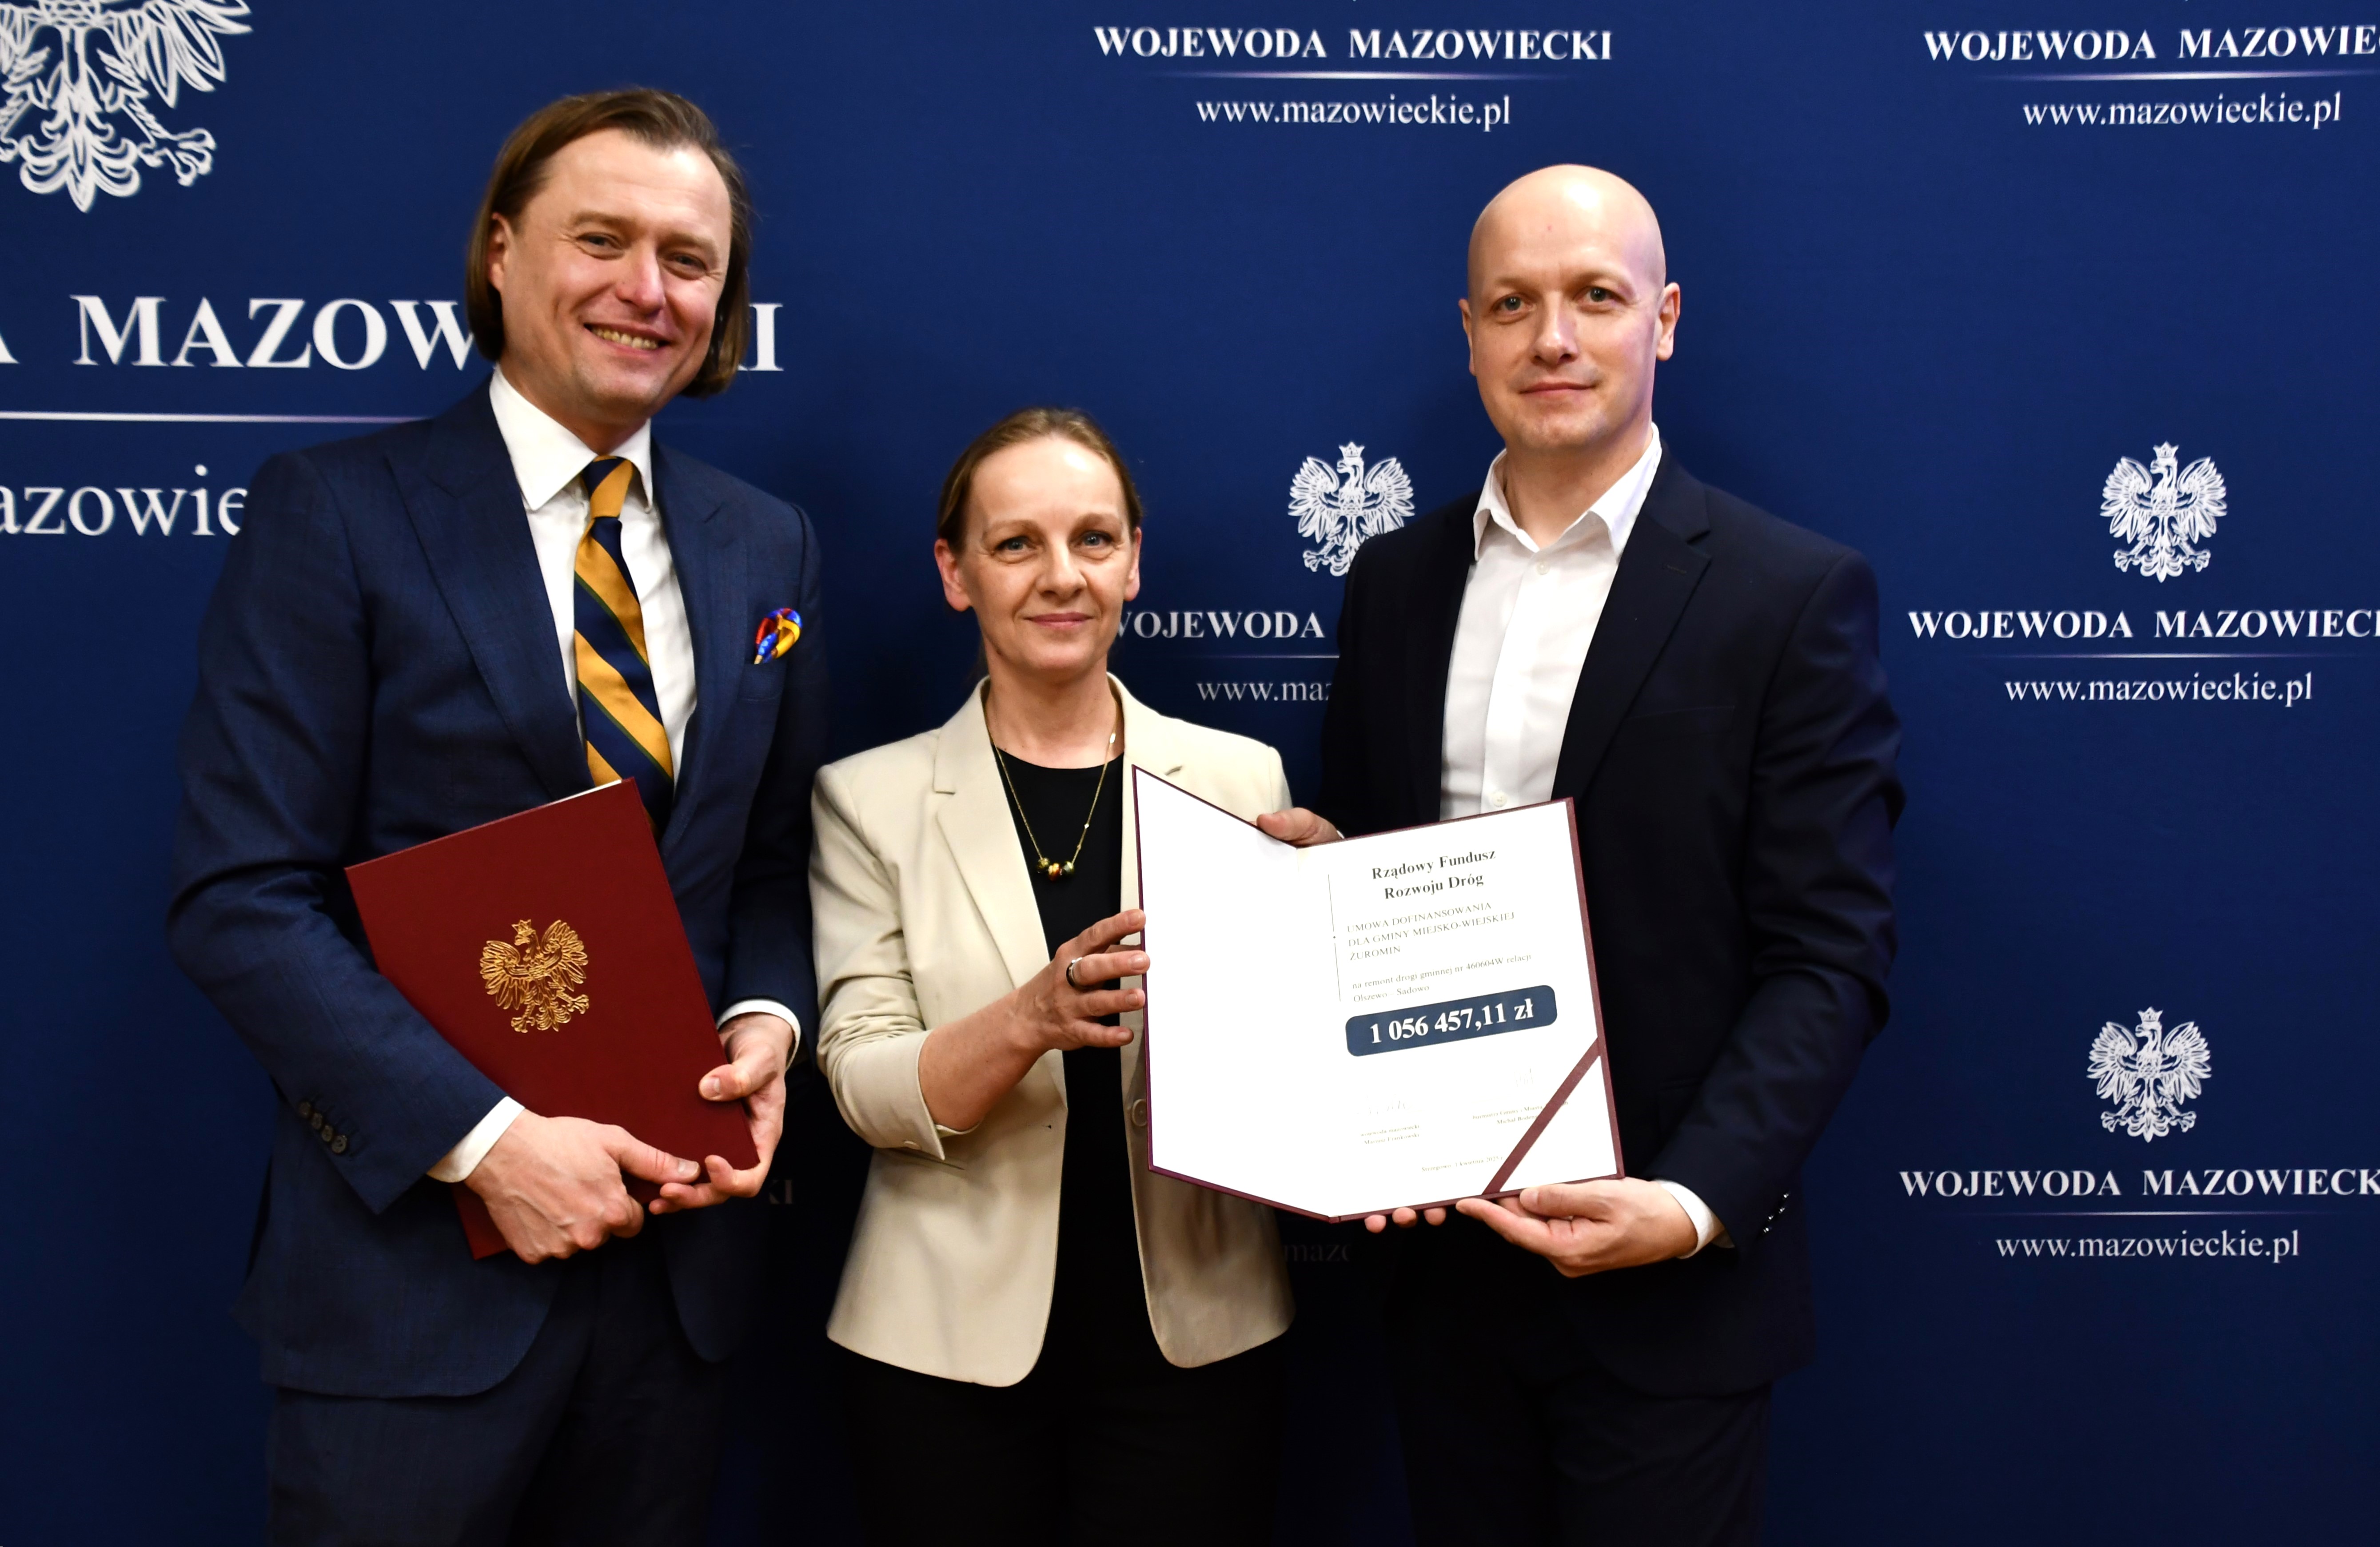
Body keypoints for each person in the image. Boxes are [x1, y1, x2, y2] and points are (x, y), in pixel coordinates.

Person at [166, 90, 826, 1546]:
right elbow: (241, 899)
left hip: (674, 1288)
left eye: (688, 259)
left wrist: (772, 1022)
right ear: (501, 251)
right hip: (413, 1292)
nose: (646, 289)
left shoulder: (765, 545)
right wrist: (485, 1142)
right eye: (602, 240)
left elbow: (768, 863)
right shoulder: (334, 511)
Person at [1260, 166, 1903, 1543]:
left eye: (1593, 297)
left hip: (1666, 1291)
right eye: (1512, 304)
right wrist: (1315, 887)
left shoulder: (1787, 595)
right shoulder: (1392, 582)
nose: (1550, 337)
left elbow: (1826, 956)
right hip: (1439, 1272)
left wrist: (1685, 1203)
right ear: (1468, 334)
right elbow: (1376, 878)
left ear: (1660, 319)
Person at [810, 408, 1293, 1545]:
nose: (1061, 575)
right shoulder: (866, 798)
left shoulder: (1243, 780)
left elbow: (1285, 1071)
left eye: (1093, 538)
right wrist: (1026, 1019)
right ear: (956, 573)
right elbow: (863, 1083)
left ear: (1134, 561)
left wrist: (1328, 945)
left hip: (1200, 1340)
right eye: (1017, 542)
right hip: (940, 1354)